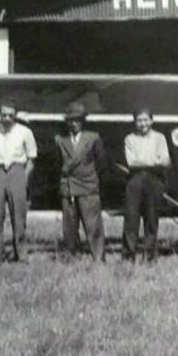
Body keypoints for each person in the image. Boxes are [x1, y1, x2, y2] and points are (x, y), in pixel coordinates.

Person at [0, 104, 37, 265]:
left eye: (10, 115)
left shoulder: (25, 132)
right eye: (4, 115)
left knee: (19, 216)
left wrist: (24, 177)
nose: (7, 119)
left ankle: (21, 255)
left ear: (16, 115)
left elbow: (31, 158)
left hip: (17, 171)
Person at [55, 101, 108, 261]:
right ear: (67, 122)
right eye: (71, 120)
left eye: (77, 119)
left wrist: (91, 178)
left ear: (83, 121)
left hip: (88, 186)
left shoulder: (93, 138)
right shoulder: (60, 140)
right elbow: (57, 164)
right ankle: (71, 255)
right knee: (69, 226)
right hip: (69, 187)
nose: (74, 123)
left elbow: (102, 163)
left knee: (93, 224)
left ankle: (98, 256)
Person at [122, 107, 171, 261]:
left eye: (145, 120)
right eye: (139, 120)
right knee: (131, 219)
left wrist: (144, 162)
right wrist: (153, 161)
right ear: (135, 122)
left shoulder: (160, 138)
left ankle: (149, 256)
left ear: (151, 120)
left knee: (151, 219)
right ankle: (129, 255)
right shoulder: (129, 139)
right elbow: (131, 163)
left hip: (154, 181)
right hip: (135, 181)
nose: (142, 123)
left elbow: (165, 160)